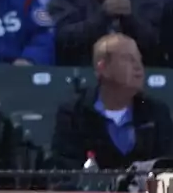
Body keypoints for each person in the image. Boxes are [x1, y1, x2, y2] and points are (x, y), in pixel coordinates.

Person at [51, 33, 173, 170]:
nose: (139, 67)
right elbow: (66, 173)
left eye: (140, 60)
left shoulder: (156, 112)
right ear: (103, 68)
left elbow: (166, 168)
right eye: (129, 59)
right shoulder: (74, 114)